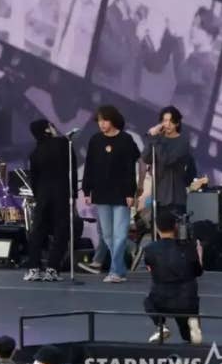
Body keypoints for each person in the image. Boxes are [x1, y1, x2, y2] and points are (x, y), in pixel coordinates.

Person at [82, 105, 140, 282]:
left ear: (113, 120)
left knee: (120, 234)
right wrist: (87, 190)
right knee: (107, 235)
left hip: (122, 193)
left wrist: (130, 192)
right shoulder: (95, 140)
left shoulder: (126, 139)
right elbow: (89, 166)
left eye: (105, 120)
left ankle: (115, 272)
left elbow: (130, 168)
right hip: (101, 193)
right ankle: (120, 271)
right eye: (99, 120)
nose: (102, 124)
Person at [23, 119, 77, 282]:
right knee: (61, 231)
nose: (54, 128)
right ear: (47, 130)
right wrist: (73, 193)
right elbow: (72, 170)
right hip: (62, 193)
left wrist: (38, 195)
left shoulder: (35, 152)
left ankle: (33, 268)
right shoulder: (64, 144)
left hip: (43, 195)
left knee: (38, 231)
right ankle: (52, 269)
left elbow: (34, 179)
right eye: (51, 126)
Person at [143, 209, 203, 344]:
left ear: (157, 228)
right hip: (187, 300)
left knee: (148, 302)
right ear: (175, 226)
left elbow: (151, 269)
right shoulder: (188, 247)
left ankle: (161, 325)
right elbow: (198, 272)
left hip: (161, 299)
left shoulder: (150, 249)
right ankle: (192, 322)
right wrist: (199, 256)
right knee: (188, 335)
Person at [171, 7, 222, 127]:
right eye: (193, 25)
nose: (192, 29)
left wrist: (178, 41)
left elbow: (181, 75)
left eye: (198, 27)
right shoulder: (195, 58)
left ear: (210, 36)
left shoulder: (207, 67)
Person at [141, 106, 192, 216]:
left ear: (177, 123)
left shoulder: (183, 142)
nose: (167, 124)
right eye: (165, 121)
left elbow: (167, 160)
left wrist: (155, 139)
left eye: (171, 121)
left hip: (175, 197)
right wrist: (152, 138)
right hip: (158, 194)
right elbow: (146, 158)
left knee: (174, 226)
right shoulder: (158, 139)